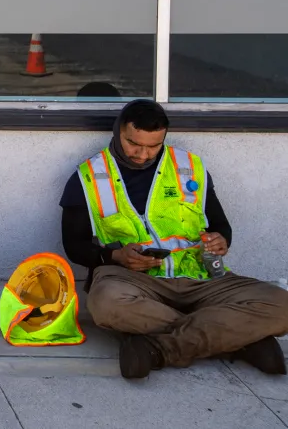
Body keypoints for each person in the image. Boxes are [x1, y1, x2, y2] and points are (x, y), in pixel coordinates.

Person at [59, 99, 288, 379]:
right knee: (106, 303)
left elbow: (220, 225)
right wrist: (114, 256)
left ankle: (159, 348)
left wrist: (221, 240)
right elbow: (73, 245)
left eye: (153, 146)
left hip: (201, 277)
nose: (142, 154)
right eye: (134, 143)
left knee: (281, 304)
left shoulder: (189, 167)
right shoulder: (89, 176)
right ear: (119, 131)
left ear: (164, 137)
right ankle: (239, 340)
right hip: (132, 280)